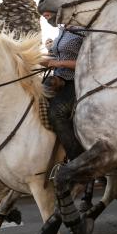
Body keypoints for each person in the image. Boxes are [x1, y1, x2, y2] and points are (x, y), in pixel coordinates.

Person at [40, 16, 83, 161]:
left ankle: (77, 160)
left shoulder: (83, 28)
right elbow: (56, 55)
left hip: (77, 81)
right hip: (59, 79)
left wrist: (59, 64)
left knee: (56, 113)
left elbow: (87, 60)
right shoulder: (63, 29)